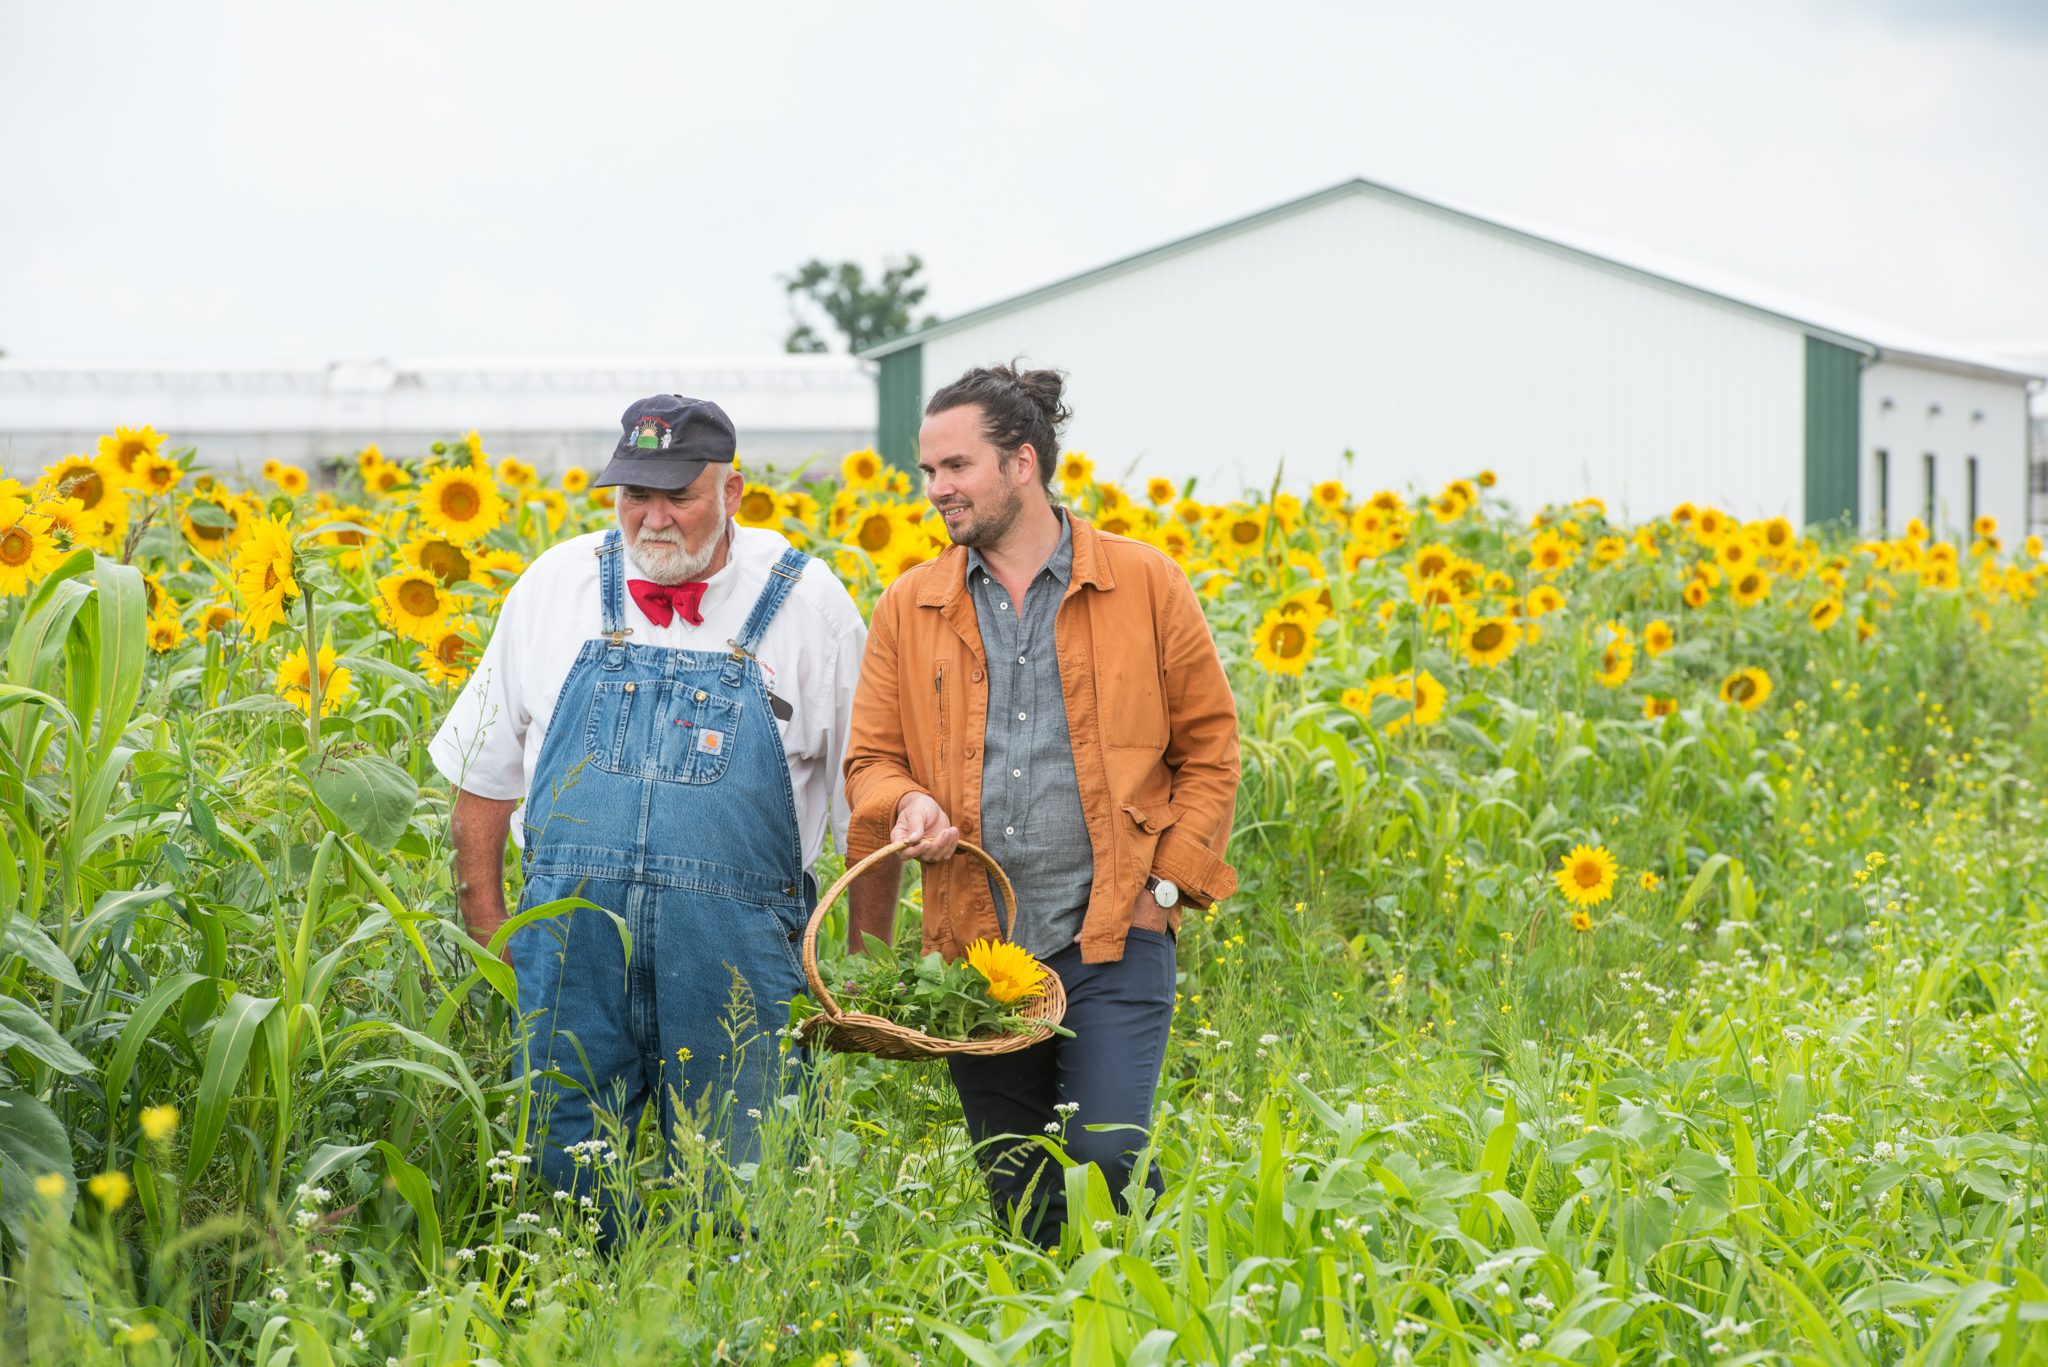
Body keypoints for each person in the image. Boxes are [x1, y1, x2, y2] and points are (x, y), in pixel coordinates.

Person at [430, 395, 886, 1237]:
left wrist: (858, 969)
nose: (654, 516)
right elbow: (482, 777)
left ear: (734, 491)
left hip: (741, 962)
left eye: (679, 493)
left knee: (748, 1196)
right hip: (572, 949)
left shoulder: (808, 604)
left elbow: (873, 797)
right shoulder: (555, 587)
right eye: (635, 493)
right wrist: (497, 934)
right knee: (566, 1186)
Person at [842, 363, 1241, 1248]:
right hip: (977, 949)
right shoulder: (909, 607)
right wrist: (905, 800)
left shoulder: (1145, 583)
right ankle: (1073, 1316)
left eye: (955, 467)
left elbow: (1210, 749)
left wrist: (1166, 890)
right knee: (1021, 1190)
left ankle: (1154, 1292)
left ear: (1022, 463)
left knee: (1101, 1152)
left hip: (1113, 930)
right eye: (928, 472)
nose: (935, 489)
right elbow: (870, 758)